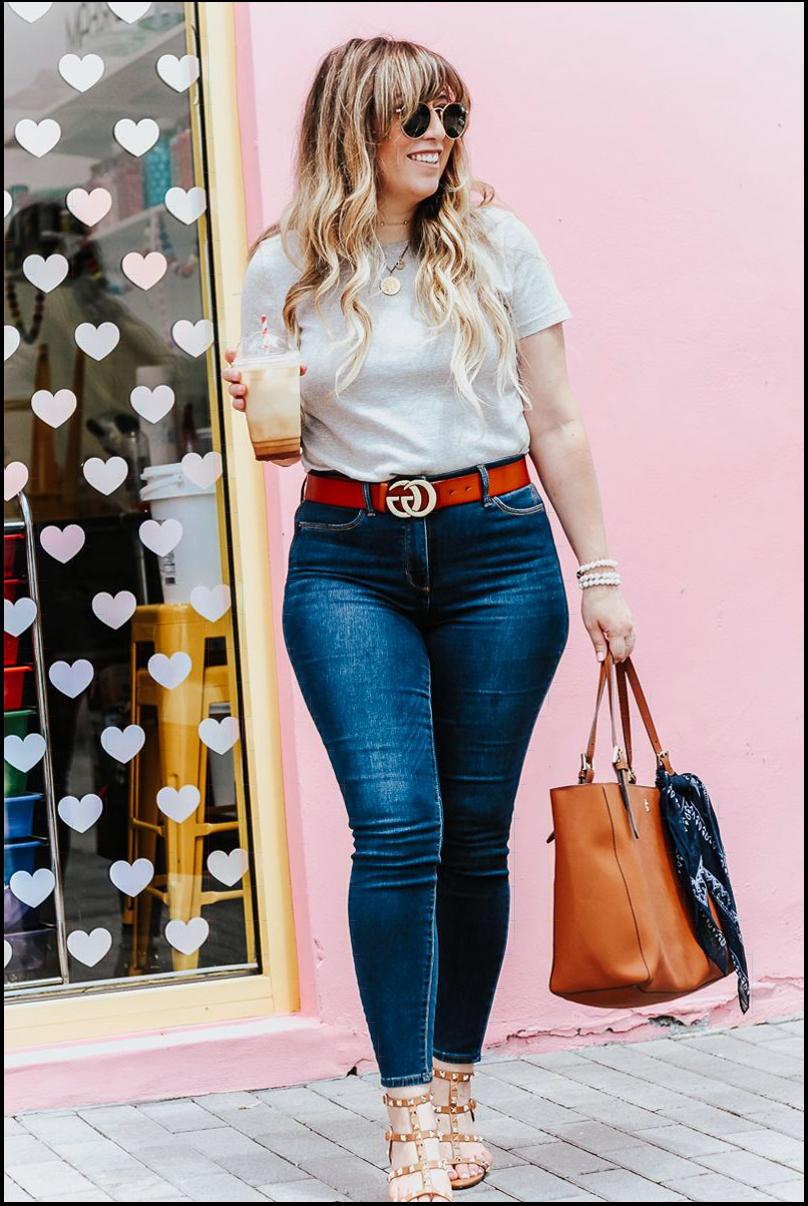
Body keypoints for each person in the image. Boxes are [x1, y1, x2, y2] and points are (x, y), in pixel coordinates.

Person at [224, 35, 636, 1204]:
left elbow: (556, 420)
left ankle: (458, 1086)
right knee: (397, 826)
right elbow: (278, 444)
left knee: (475, 837)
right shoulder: (284, 262)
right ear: (354, 126)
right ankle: (407, 1115)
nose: (438, 136)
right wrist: (258, 401)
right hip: (348, 559)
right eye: (414, 116)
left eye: (451, 114)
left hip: (498, 550)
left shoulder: (498, 244)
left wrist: (599, 572)